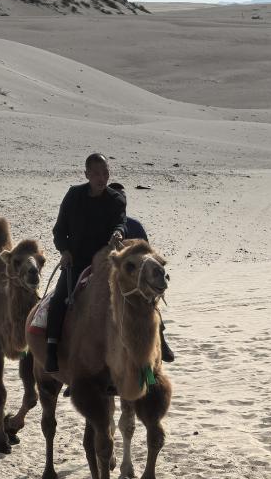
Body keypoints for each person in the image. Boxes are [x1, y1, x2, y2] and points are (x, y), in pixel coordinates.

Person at [45, 153, 127, 373]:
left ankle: (157, 338)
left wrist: (118, 233)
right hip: (77, 260)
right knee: (60, 297)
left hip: (106, 260)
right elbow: (59, 230)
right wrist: (64, 251)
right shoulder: (74, 196)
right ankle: (51, 348)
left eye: (106, 173)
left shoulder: (116, 199)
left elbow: (121, 223)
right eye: (97, 174)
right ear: (87, 175)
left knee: (135, 293)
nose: (102, 178)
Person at [108, 182, 174, 364]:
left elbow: (147, 254)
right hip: (105, 275)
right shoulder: (99, 225)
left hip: (134, 278)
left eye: (122, 198)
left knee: (152, 306)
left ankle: (160, 339)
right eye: (115, 198)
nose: (120, 202)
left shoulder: (134, 225)